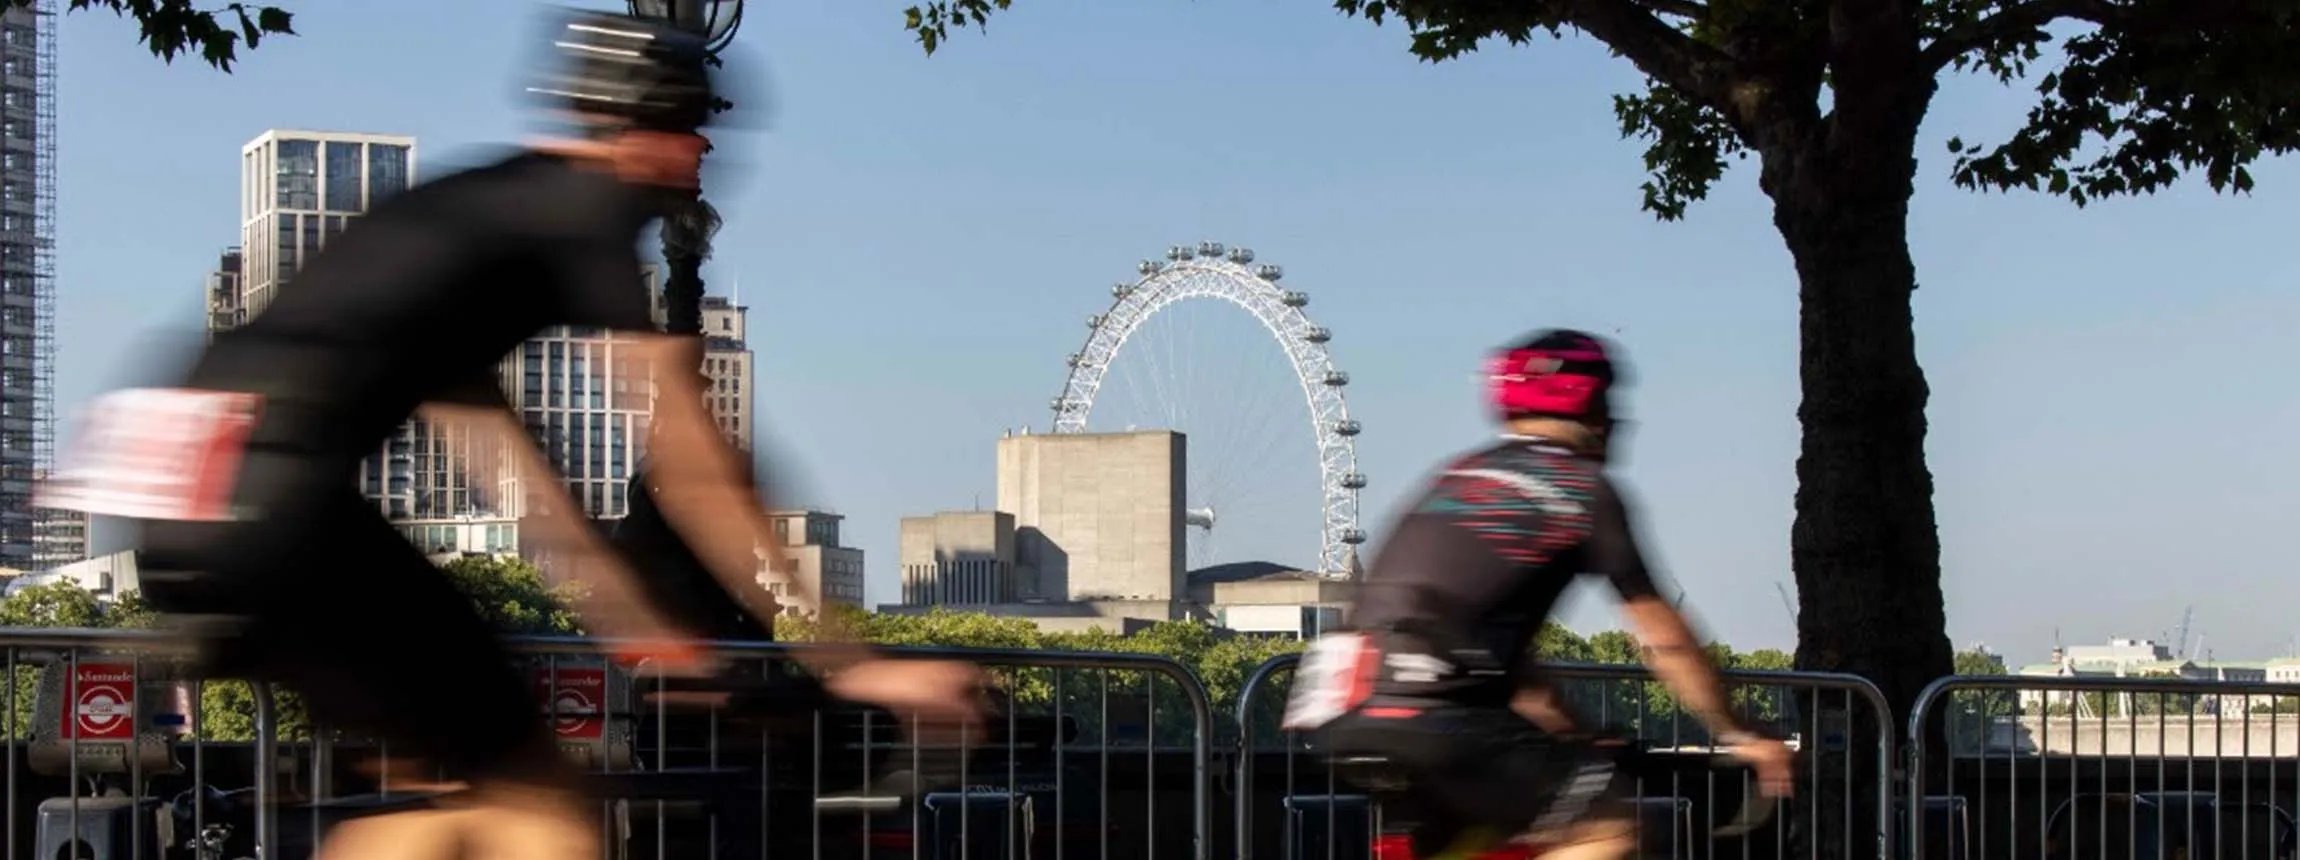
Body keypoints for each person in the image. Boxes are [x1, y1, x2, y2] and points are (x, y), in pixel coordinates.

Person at [39, 11, 980, 860]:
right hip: (284, 506)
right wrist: (853, 665)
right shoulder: (587, 219)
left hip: (181, 506)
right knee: (545, 812)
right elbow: (694, 463)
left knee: (467, 791)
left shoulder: (474, 220)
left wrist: (642, 630)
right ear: (651, 133)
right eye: (697, 127)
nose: (706, 152)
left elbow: (513, 467)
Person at [1279, 329, 1796, 860]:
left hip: (1342, 708)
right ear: (1593, 405)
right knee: (1612, 827)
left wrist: (1574, 731)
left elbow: (1500, 657)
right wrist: (1739, 730)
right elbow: (1667, 642)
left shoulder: (1455, 478)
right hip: (1441, 710)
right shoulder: (1581, 489)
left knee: (1468, 838)